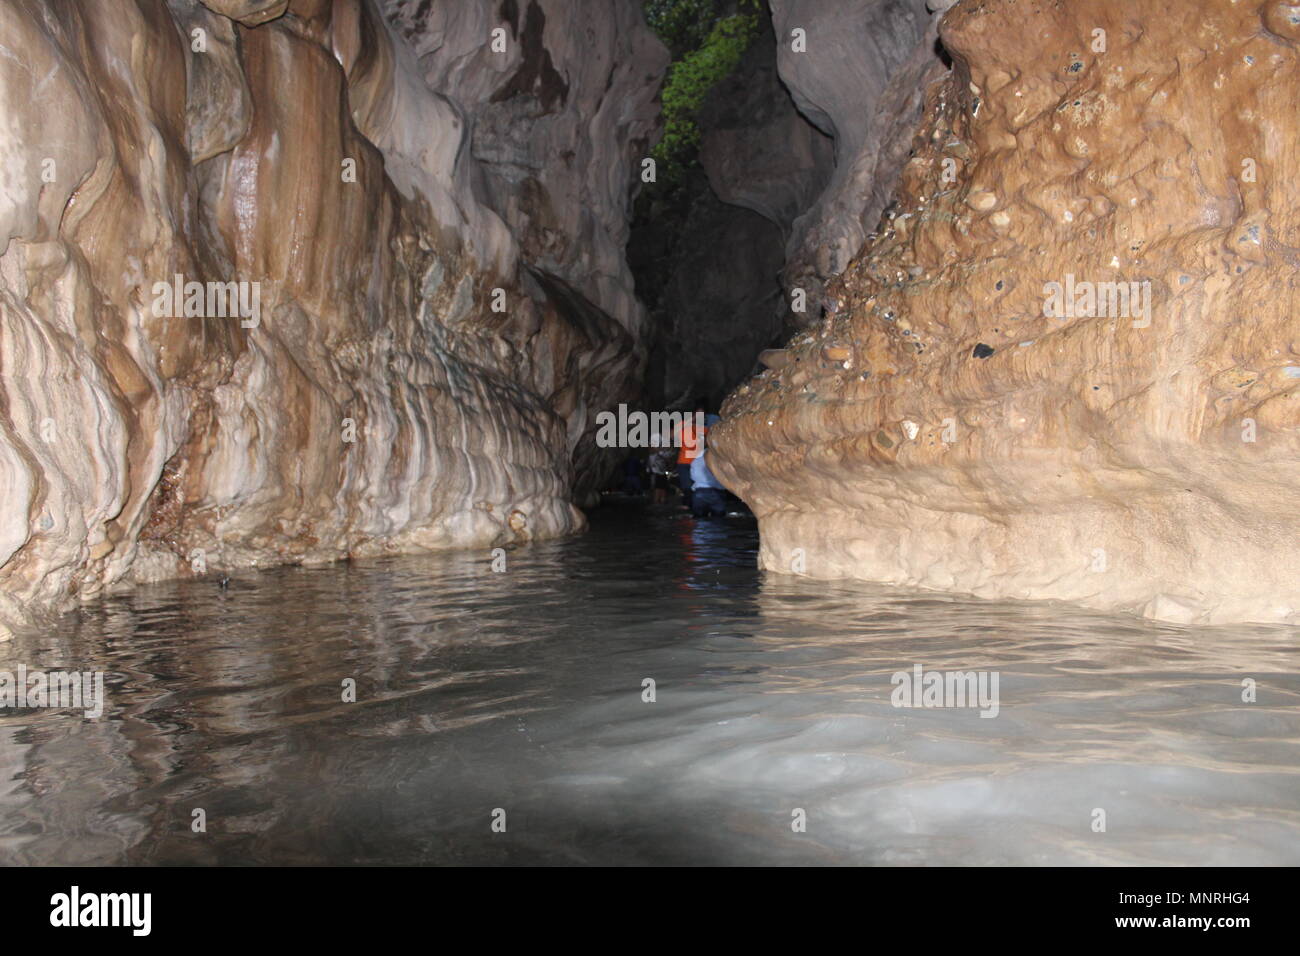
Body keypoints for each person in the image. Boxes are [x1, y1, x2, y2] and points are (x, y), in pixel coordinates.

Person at [675, 397, 709, 510]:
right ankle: (687, 507)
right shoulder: (684, 425)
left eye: (702, 415)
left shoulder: (704, 429)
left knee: (699, 487)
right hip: (684, 462)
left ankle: (698, 507)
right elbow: (670, 434)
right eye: (698, 414)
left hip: (698, 463)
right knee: (687, 487)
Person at [689, 442, 727, 518]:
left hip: (699, 492)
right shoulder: (720, 460)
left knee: (699, 520)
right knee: (718, 521)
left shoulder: (696, 460)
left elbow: (693, 476)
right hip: (716, 492)